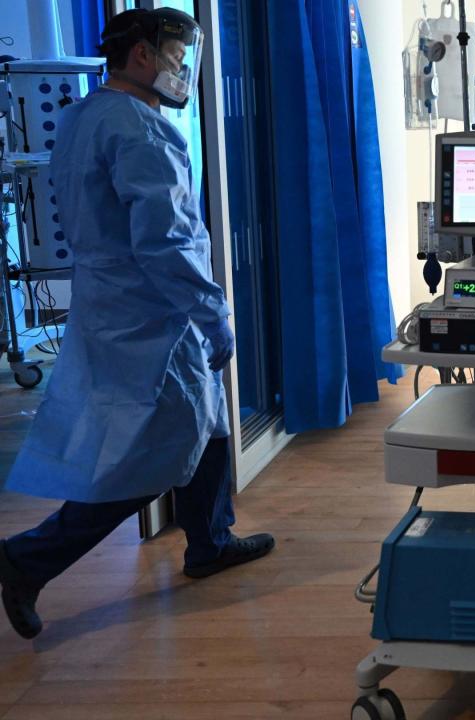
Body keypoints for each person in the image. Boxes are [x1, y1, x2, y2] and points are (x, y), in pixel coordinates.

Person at [0, 8, 274, 640]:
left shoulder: (84, 114)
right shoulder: (143, 132)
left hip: (111, 302)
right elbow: (166, 244)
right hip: (151, 311)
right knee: (146, 459)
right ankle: (26, 559)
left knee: (203, 423)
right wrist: (214, 315)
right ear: (144, 56)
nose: (183, 71)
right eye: (177, 57)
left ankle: (210, 541)